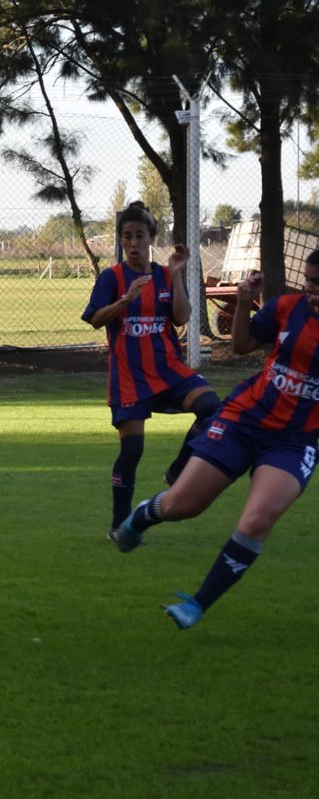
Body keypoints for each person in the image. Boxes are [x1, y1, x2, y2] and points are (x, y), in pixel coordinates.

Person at [112, 254, 319, 629]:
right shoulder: (289, 307)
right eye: (308, 279)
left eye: (318, 283)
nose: (310, 289)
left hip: (294, 442)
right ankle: (141, 517)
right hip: (243, 419)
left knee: (258, 520)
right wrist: (242, 302)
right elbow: (241, 345)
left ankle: (197, 603)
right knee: (182, 505)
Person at [81, 201, 221, 542]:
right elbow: (95, 319)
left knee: (213, 409)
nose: (132, 243)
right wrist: (125, 300)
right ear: (120, 241)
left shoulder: (162, 275)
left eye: (139, 236)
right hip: (129, 377)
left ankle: (178, 470)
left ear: (150, 239)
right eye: (126, 236)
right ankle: (119, 526)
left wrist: (175, 274)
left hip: (169, 370)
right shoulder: (111, 278)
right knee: (131, 453)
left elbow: (182, 317)